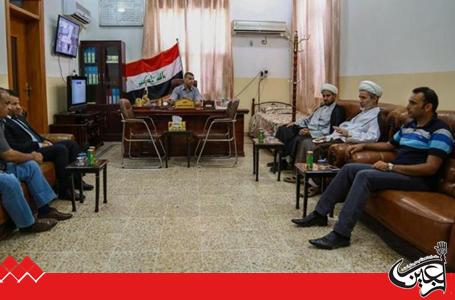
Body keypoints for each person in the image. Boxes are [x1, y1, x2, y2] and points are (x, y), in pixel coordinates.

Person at [291, 87, 453, 250]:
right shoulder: (410, 125)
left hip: (419, 179)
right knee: (348, 169)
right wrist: (363, 145)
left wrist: (391, 167)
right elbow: (390, 144)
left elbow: (430, 168)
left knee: (364, 176)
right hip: (399, 170)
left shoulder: (440, 131)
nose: (408, 106)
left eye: (413, 103)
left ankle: (341, 234)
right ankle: (320, 214)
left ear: (428, 107)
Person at [0, 89, 72, 233]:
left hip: (3, 166)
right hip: (4, 167)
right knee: (10, 182)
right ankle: (27, 225)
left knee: (30, 166)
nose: (10, 107)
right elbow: (8, 155)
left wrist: (31, 158)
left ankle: (45, 209)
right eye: (7, 103)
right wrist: (32, 155)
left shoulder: (1, 122)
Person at [0, 89, 92, 200]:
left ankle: (78, 181)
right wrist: (39, 145)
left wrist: (45, 140)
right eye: (13, 104)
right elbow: (15, 146)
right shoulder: (5, 123)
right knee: (60, 149)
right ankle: (64, 190)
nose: (18, 107)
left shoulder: (18, 117)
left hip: (39, 145)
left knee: (71, 144)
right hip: (30, 150)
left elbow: (33, 133)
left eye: (18, 103)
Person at [299, 80, 384, 195]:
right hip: (337, 136)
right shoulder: (362, 113)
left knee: (317, 149)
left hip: (349, 141)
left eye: (364, 98)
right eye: (360, 98)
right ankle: (307, 178)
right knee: (310, 142)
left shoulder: (377, 115)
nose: (361, 101)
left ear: (375, 99)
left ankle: (315, 185)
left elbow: (373, 137)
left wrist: (348, 133)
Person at [274, 83, 346, 173]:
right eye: (324, 96)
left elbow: (331, 131)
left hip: (317, 134)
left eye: (328, 96)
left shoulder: (338, 110)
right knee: (283, 129)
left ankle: (287, 162)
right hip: (308, 129)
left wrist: (310, 132)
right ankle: (280, 160)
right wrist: (295, 123)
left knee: (298, 139)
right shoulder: (320, 108)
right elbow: (308, 119)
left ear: (335, 96)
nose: (325, 98)